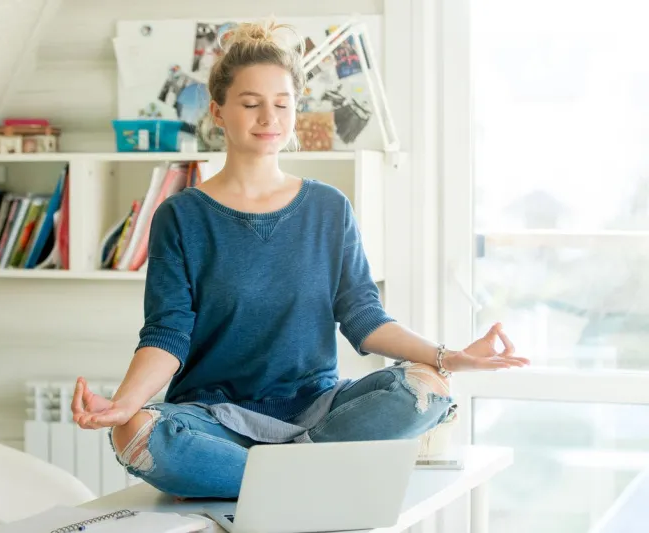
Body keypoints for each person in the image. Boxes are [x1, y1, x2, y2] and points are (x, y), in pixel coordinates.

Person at [72, 19, 529, 499]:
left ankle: (267, 478)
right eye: (250, 104)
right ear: (218, 112)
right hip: (214, 417)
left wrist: (448, 356)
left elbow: (363, 318)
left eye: (282, 104)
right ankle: (310, 479)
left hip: (316, 409)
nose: (269, 117)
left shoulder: (328, 208)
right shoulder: (181, 216)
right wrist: (123, 405)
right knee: (135, 435)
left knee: (429, 387)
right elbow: (168, 335)